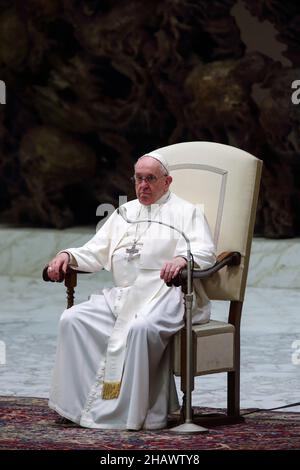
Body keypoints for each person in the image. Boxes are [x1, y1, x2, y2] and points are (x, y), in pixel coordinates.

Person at [47, 151, 216, 430]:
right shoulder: (125, 213)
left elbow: (205, 251)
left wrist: (182, 259)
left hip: (167, 295)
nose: (143, 185)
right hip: (124, 295)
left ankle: (139, 414)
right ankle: (77, 407)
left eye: (151, 179)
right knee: (73, 320)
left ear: (167, 181)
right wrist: (68, 255)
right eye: (139, 179)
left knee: (141, 329)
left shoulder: (188, 212)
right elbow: (95, 251)